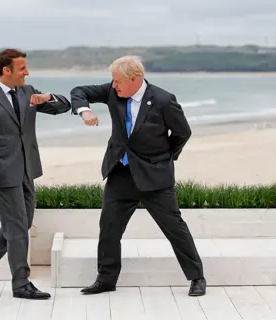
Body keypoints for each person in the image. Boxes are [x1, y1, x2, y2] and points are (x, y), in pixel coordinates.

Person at [70, 55, 206, 296]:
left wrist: (165, 158)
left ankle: (197, 277)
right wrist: (84, 111)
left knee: (175, 228)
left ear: (134, 79)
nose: (113, 85)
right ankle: (106, 280)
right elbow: (79, 91)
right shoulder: (113, 92)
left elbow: (182, 132)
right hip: (120, 175)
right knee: (109, 228)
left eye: (117, 81)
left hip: (155, 179)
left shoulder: (163, 100)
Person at [0, 48, 71, 299]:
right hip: (2, 172)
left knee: (21, 224)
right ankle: (21, 283)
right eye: (22, 68)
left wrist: (47, 97)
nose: (27, 72)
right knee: (16, 228)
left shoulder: (28, 91)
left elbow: (64, 107)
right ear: (7, 70)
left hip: (28, 169)